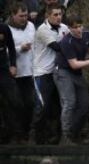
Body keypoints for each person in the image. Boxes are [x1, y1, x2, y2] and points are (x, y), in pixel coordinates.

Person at [54, 14, 89, 145]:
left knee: (84, 105)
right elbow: (73, 64)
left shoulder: (86, 34)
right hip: (63, 71)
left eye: (80, 26)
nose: (79, 30)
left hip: (77, 73)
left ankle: (73, 133)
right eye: (75, 27)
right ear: (69, 28)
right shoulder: (66, 42)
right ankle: (65, 136)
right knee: (70, 102)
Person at [29, 3, 69, 145]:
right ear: (48, 15)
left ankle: (54, 137)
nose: (59, 17)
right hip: (42, 72)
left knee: (57, 106)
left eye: (60, 14)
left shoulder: (64, 28)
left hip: (57, 72)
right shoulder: (42, 30)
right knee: (41, 105)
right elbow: (57, 47)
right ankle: (33, 137)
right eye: (55, 15)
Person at [8, 2, 36, 137]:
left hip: (30, 72)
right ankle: (16, 135)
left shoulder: (31, 26)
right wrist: (20, 48)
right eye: (21, 16)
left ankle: (28, 133)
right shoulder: (6, 29)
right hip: (14, 74)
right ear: (13, 15)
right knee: (16, 105)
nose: (24, 18)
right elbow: (4, 51)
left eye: (25, 15)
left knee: (31, 103)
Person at [0, 21, 25, 144]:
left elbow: (11, 47)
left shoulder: (4, 28)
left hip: (4, 70)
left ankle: (17, 134)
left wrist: (13, 65)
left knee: (16, 102)